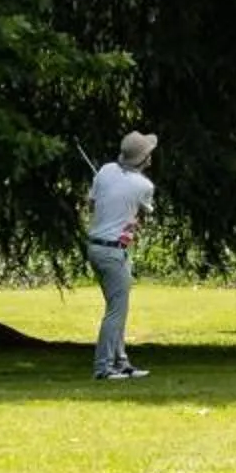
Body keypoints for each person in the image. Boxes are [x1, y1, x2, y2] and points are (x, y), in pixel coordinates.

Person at [83, 130, 158, 381]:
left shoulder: (105, 171)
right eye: (149, 153)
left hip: (98, 247)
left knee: (117, 307)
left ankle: (121, 361)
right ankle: (103, 368)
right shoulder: (144, 186)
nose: (151, 157)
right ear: (143, 159)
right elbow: (142, 217)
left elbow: (92, 204)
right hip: (112, 251)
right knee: (116, 310)